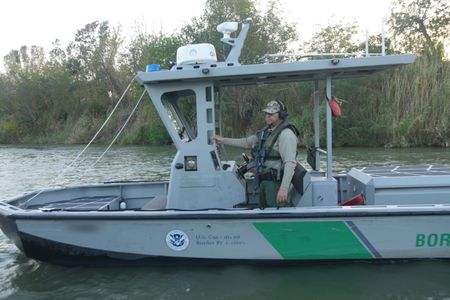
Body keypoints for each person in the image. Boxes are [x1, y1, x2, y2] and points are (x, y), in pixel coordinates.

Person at [212, 100, 299, 208]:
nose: (268, 116)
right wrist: (223, 140)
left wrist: (284, 189)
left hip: (276, 185)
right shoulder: (267, 132)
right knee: (264, 216)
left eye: (271, 114)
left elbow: (290, 163)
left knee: (277, 219)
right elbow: (247, 142)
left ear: (281, 115)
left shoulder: (286, 134)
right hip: (264, 183)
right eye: (266, 113)